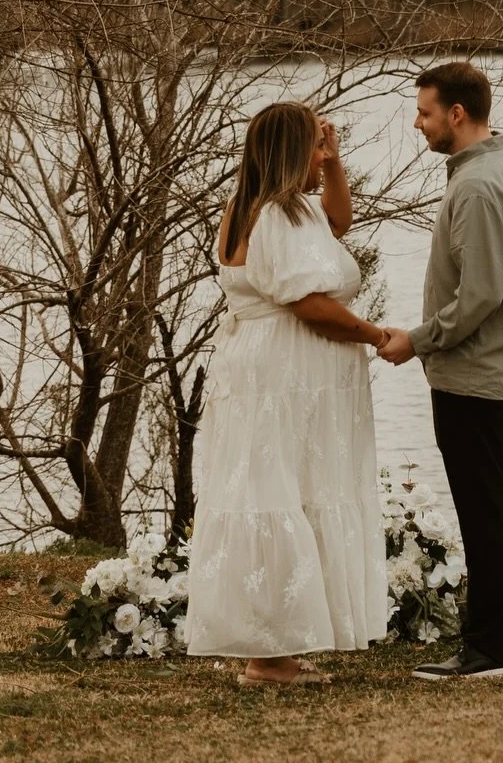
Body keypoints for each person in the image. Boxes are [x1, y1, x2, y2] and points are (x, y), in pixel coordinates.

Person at [186, 101, 389, 685]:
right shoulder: (276, 215)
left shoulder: (259, 208)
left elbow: (338, 224)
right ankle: (267, 658)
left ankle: (273, 649)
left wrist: (334, 164)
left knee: (279, 491)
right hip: (281, 376)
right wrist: (374, 335)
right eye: (314, 147)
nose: (321, 154)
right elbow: (307, 303)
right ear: (288, 152)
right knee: (276, 495)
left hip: (266, 373)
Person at [378, 61, 503, 681]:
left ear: (456, 114)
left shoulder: (477, 185)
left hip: (474, 373)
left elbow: (479, 292)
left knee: (483, 514)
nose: (417, 123)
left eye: (424, 112)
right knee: (492, 507)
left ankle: (488, 652)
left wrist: (419, 340)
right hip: (502, 363)